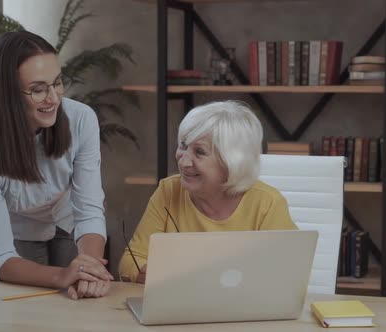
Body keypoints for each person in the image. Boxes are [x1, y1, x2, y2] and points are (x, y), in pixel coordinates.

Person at [0, 31, 113, 300]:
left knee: (77, 308)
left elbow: (89, 210)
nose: (54, 98)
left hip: (68, 223)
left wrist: (87, 269)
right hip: (19, 231)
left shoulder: (81, 119)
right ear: (7, 93)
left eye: (57, 83)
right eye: (38, 89)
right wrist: (61, 275)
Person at [118, 100, 297, 283]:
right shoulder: (169, 191)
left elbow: (289, 274)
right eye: (183, 146)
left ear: (231, 162)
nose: (183, 161)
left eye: (200, 152)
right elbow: (131, 262)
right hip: (181, 307)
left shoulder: (267, 203)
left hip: (246, 310)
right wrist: (177, 278)